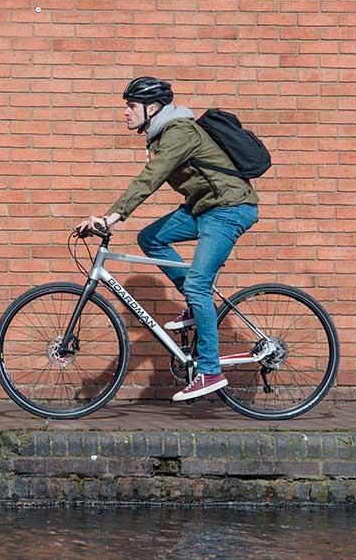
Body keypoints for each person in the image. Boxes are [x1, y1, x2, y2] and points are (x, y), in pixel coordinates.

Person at [76, 77, 260, 402]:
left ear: (152, 108)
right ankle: (193, 303)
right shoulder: (162, 136)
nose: (125, 112)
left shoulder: (179, 132)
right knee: (151, 238)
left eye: (131, 106)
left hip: (229, 209)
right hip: (205, 207)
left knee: (198, 285)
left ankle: (210, 370)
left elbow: (151, 178)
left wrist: (110, 217)